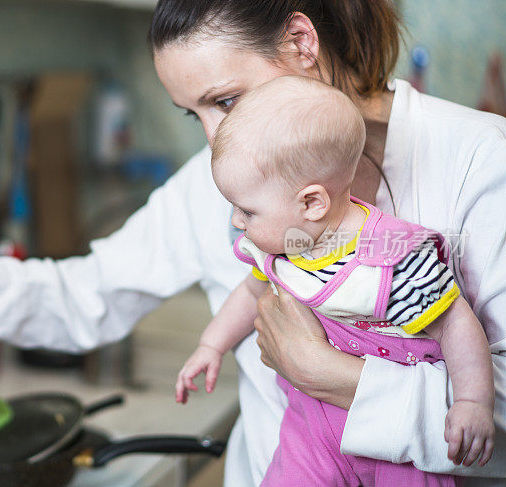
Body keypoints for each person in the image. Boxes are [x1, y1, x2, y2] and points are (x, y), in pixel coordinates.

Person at [0, 1, 506, 484]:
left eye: (228, 101)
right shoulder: (218, 188)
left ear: (301, 41)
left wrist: (334, 378)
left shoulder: (482, 163)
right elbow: (82, 295)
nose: (214, 142)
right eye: (196, 115)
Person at [175, 75, 494, 485]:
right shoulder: (281, 245)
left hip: (394, 442)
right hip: (309, 429)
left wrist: (471, 401)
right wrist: (210, 344)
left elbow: (455, 324)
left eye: (246, 211)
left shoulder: (394, 257)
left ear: (311, 203)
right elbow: (252, 288)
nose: (236, 222)